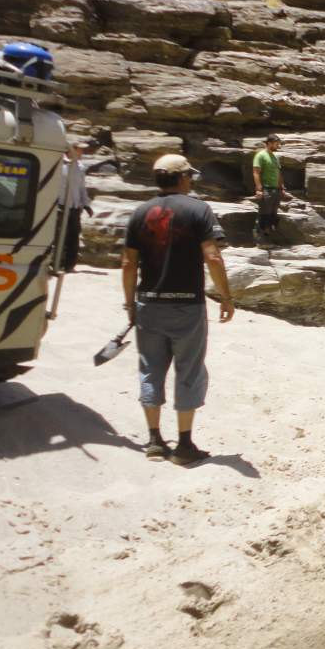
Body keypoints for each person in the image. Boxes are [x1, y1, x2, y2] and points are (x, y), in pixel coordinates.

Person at [121, 154, 235, 465]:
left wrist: (130, 303)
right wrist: (226, 297)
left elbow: (129, 263)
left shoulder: (140, 212)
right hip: (187, 304)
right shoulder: (199, 210)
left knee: (150, 368)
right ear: (183, 178)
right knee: (189, 369)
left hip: (149, 304)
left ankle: (155, 441)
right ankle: (184, 445)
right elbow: (212, 257)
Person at [58, 140, 94, 273]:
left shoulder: (80, 167)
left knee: (73, 236)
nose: (82, 152)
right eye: (80, 149)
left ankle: (69, 264)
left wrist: (86, 205)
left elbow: (81, 188)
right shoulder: (59, 164)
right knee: (60, 235)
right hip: (60, 207)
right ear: (72, 149)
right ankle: (57, 263)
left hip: (74, 207)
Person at [251, 133, 291, 245]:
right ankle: (259, 240)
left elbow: (278, 174)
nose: (278, 146)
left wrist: (282, 188)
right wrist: (259, 189)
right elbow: (256, 172)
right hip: (266, 190)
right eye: (276, 144)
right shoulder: (260, 155)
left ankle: (268, 239)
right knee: (264, 214)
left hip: (276, 191)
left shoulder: (275, 157)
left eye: (278, 144)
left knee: (272, 216)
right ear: (268, 143)